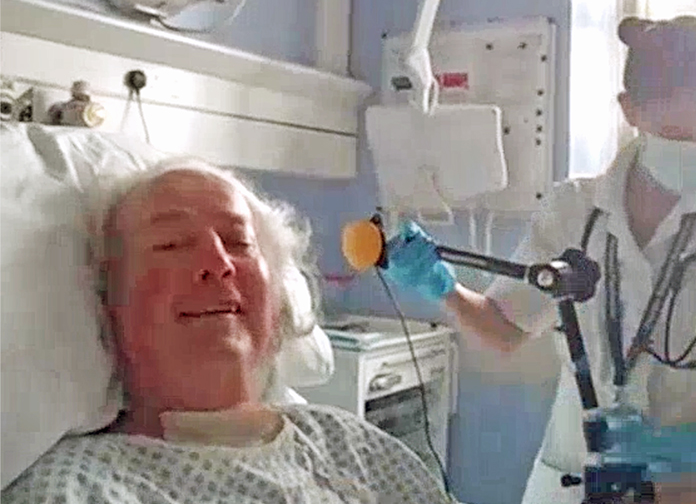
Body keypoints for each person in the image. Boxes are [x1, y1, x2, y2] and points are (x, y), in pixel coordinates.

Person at [383, 15, 696, 503]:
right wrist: (442, 287)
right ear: (631, 112)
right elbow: (505, 328)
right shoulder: (572, 210)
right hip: (573, 478)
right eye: (676, 133)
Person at [2, 160, 449, 503]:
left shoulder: (354, 447)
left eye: (239, 243)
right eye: (171, 244)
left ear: (276, 298)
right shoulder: (76, 490)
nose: (218, 264)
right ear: (107, 299)